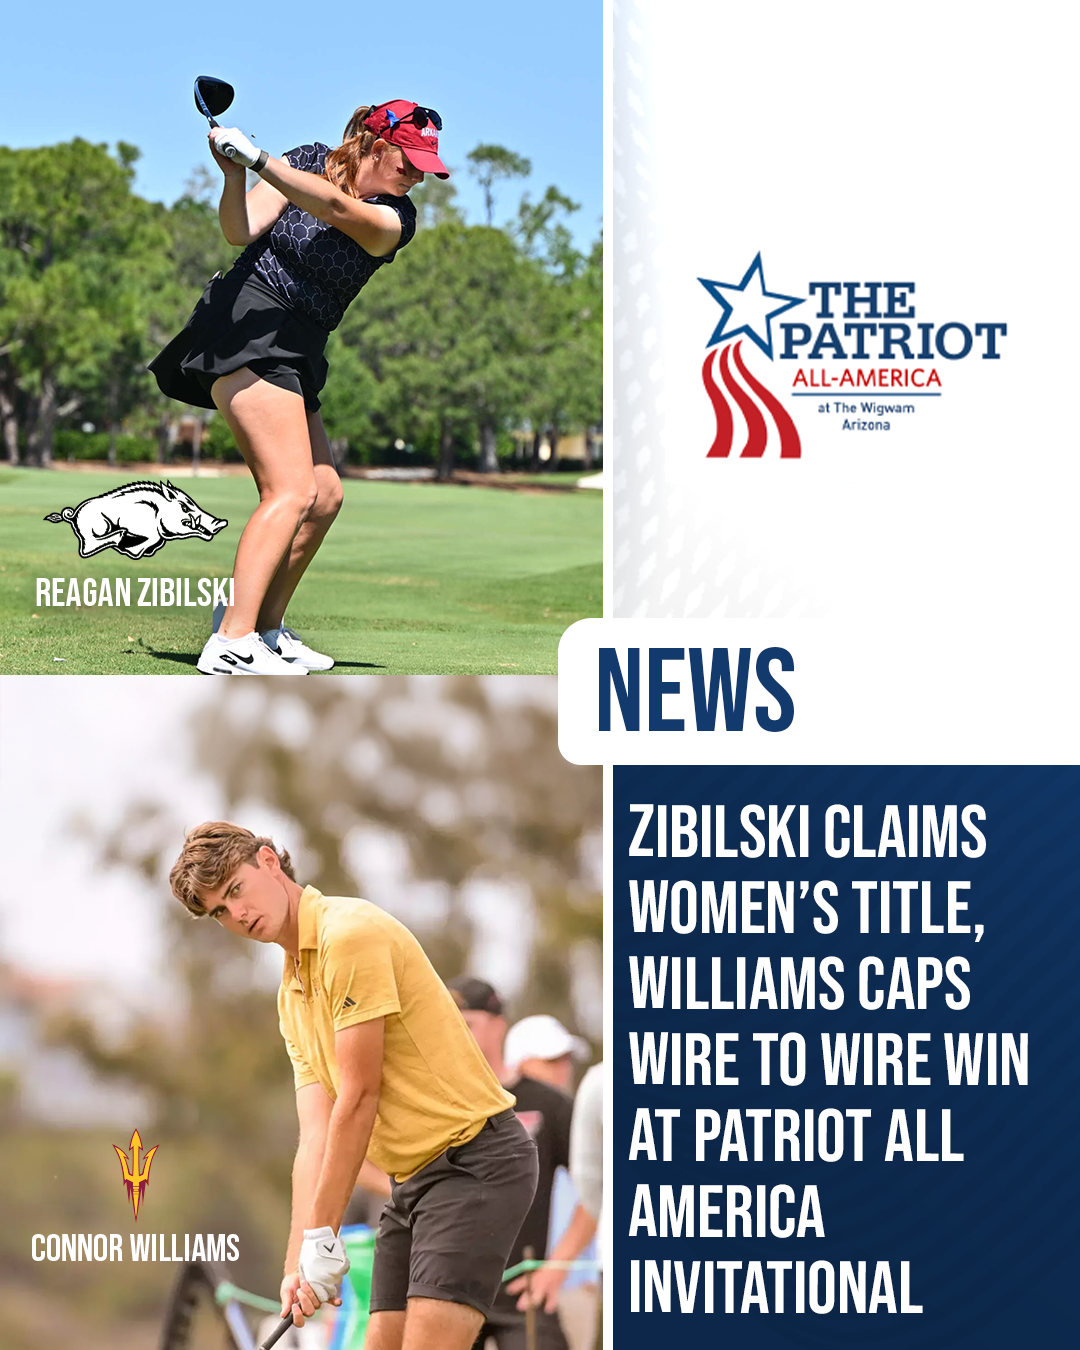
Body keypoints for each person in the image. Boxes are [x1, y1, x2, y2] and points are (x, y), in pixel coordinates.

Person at [169, 824, 537, 1350]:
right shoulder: (291, 995)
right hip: (412, 1183)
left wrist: (323, 1235)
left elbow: (358, 1099)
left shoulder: (349, 935)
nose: (237, 915)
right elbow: (315, 1137)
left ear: (270, 863)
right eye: (220, 912)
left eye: (234, 890)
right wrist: (300, 1259)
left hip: (477, 1164)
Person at [150, 101, 448, 676]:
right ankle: (232, 640)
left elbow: (334, 205)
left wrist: (257, 159)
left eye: (424, 164)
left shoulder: (397, 219)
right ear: (373, 141)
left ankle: (263, 626)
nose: (416, 173)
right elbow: (239, 231)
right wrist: (236, 175)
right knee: (290, 490)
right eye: (408, 157)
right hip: (248, 320)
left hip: (301, 342)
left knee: (325, 494)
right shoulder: (310, 157)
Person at [446, 985, 594, 1350]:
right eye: (450, 1023)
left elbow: (601, 1187)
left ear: (499, 1027)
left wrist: (557, 1267)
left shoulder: (551, 1104)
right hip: (448, 1295)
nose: (457, 1032)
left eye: (468, 1023)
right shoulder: (438, 1099)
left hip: (524, 1296)